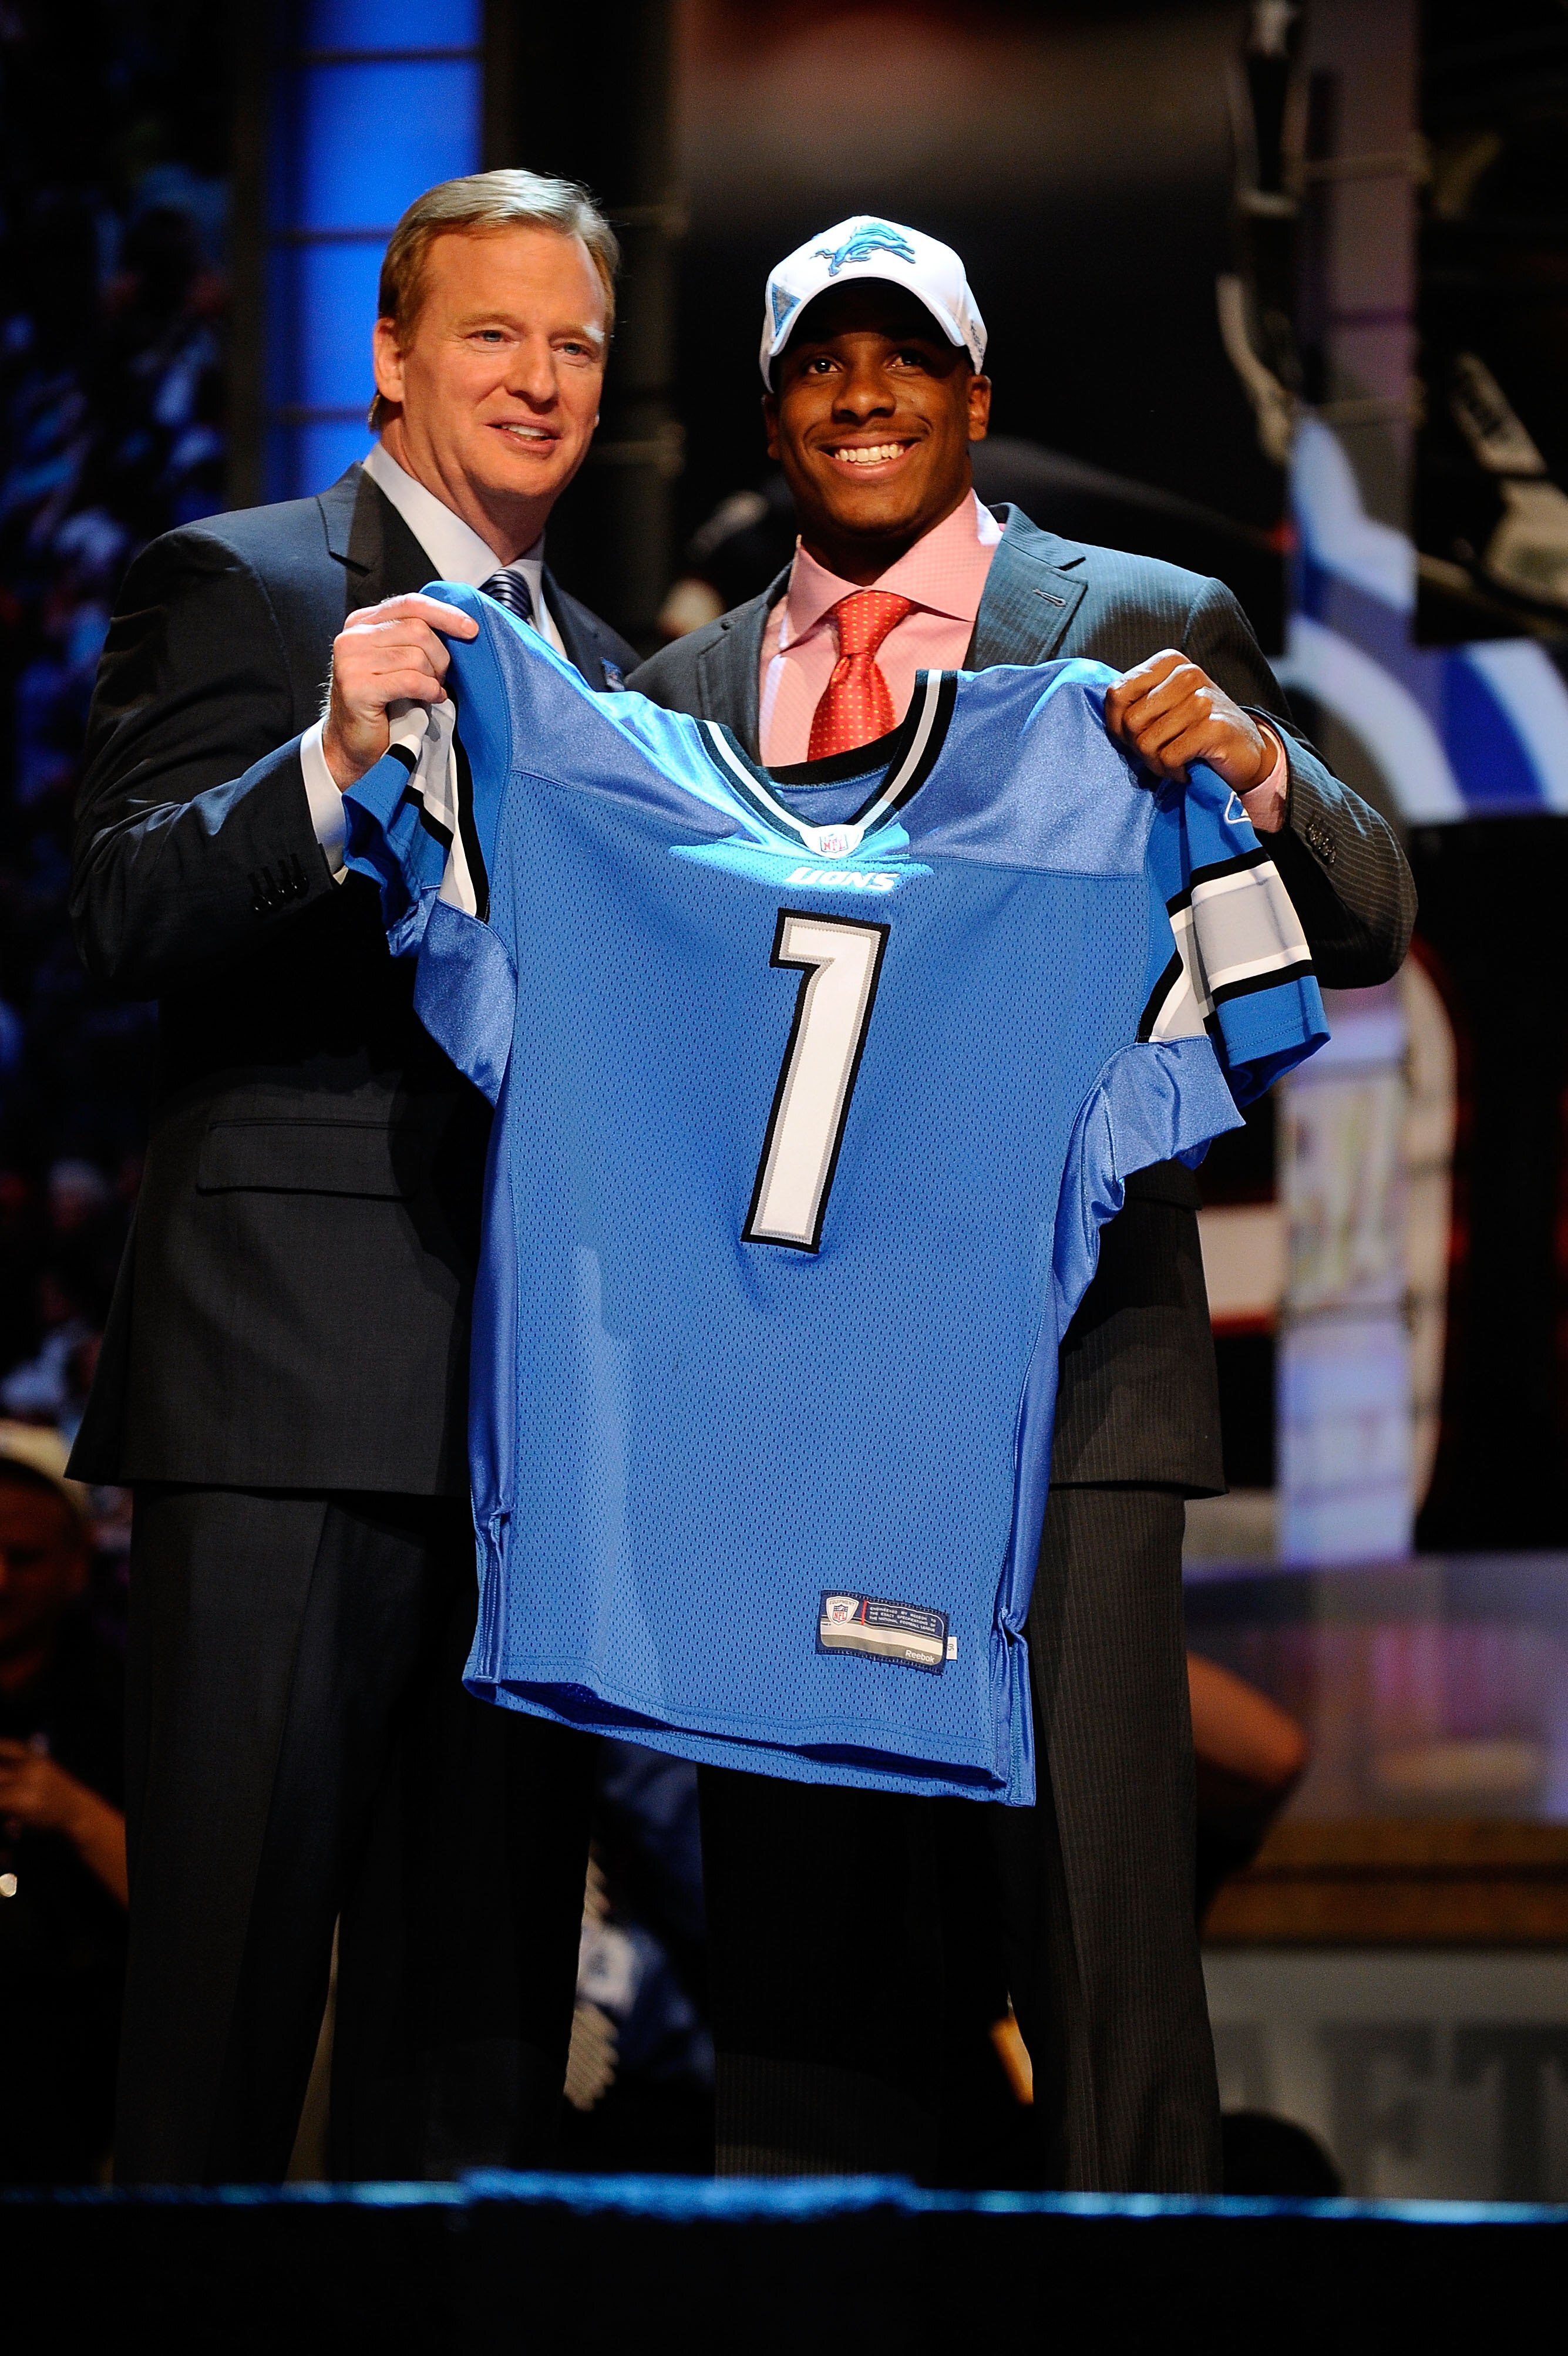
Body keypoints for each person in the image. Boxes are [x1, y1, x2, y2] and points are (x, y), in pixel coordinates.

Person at [626, 217, 1416, 2190]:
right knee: (805, 1917)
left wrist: (1246, 759)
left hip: (1072, 1370)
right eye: (824, 363)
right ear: (779, 405)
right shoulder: (683, 687)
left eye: (907, 362)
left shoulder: (1142, 617)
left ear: (978, 398)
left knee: (1094, 1915)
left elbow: (1373, 913)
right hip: (794, 1398)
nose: (865, 396)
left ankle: (1133, 2313)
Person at [69, 170, 638, 2185]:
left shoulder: (619, 675)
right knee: (221, 2014)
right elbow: (118, 910)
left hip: (532, 1438)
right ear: (392, 357)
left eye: (574, 343)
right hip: (289, 1390)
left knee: (474, 2044)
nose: (539, 378)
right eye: (492, 333)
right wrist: (323, 759)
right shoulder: (239, 583)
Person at [0, 1423, 127, 2182]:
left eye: (25, 1558)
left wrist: (72, 1812)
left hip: (81, 2086)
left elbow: (198, 1920)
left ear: (79, 1563)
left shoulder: (128, 1701)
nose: (1, 1581)